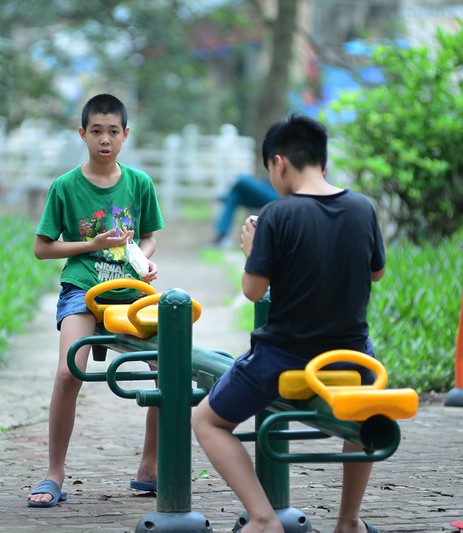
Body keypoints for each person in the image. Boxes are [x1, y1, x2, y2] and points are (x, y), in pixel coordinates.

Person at [192, 114, 386, 533]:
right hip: (354, 359)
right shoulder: (362, 208)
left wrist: (253, 250)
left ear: (279, 163)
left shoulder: (277, 214)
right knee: (363, 419)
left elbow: (252, 289)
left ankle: (263, 519)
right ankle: (349, 521)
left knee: (207, 420)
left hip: (283, 358)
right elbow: (375, 273)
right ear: (323, 162)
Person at [27, 93, 164, 507]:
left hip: (131, 293)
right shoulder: (65, 187)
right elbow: (42, 248)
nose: (105, 140)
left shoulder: (139, 183)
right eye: (97, 132)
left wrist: (144, 260)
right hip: (81, 290)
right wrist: (92, 244)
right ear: (83, 134)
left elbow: (149, 236)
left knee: (167, 370)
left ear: (125, 135)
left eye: (114, 132)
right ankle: (54, 474)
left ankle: (149, 467)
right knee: (69, 373)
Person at [210, 174, 279, 248]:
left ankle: (225, 197)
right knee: (233, 197)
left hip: (277, 196)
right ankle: (221, 237)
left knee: (242, 179)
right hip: (266, 190)